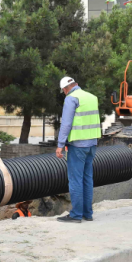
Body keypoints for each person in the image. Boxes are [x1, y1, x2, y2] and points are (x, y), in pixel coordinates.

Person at [54, 77, 101, 223]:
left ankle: (76, 215)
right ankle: (87, 213)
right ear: (76, 85)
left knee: (75, 180)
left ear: (65, 89)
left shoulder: (71, 98)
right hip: (92, 144)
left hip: (78, 146)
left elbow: (66, 124)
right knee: (87, 178)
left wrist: (60, 144)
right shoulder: (92, 97)